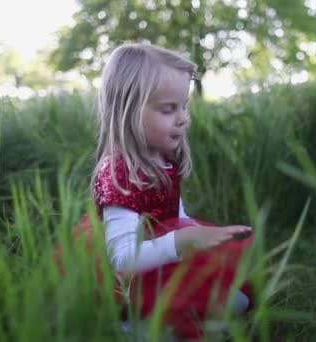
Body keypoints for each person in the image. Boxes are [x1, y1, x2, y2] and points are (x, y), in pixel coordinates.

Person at [86, 43, 253, 339]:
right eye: (168, 109)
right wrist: (182, 240)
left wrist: (194, 232)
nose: (182, 118)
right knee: (179, 324)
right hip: (132, 276)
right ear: (130, 111)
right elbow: (122, 258)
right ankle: (125, 328)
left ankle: (174, 322)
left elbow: (173, 214)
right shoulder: (118, 173)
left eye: (184, 106)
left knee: (237, 301)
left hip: (166, 260)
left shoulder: (162, 158)